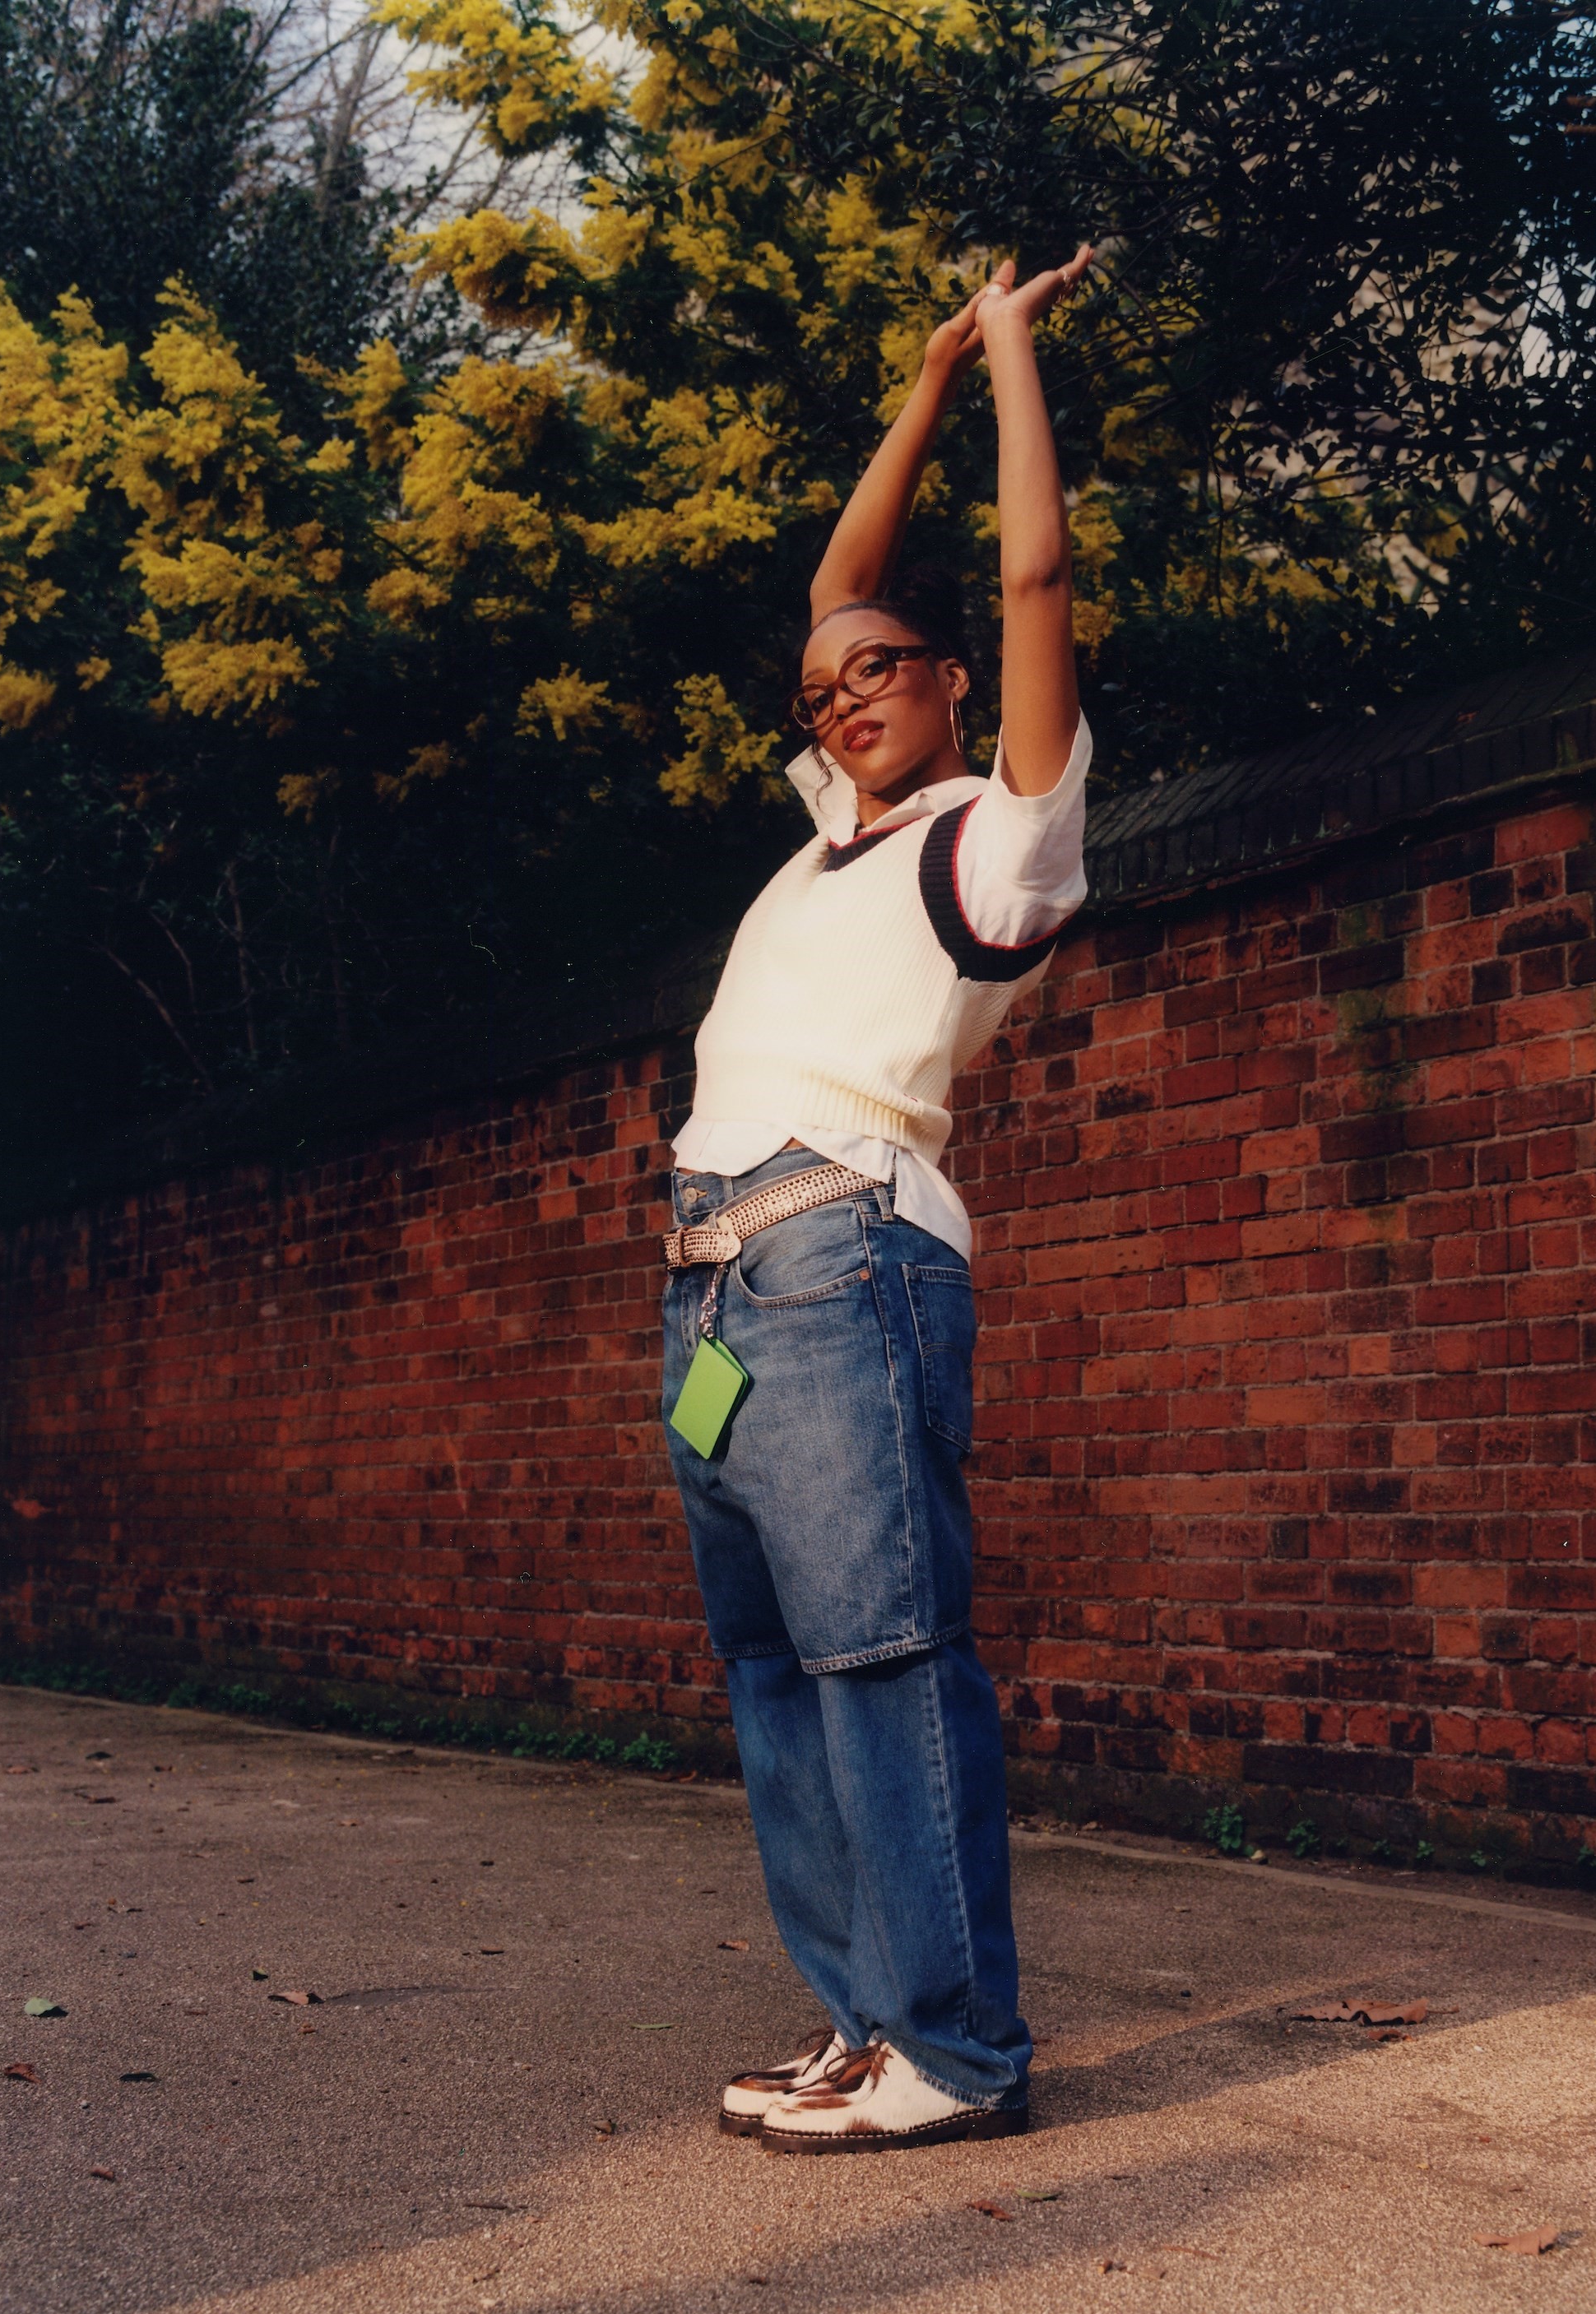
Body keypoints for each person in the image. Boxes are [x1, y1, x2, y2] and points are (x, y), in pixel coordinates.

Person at [661, 244, 1094, 2153]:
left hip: (849, 1257)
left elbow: (1028, 578)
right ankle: (858, 2026)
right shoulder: (828, 839)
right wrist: (911, 380)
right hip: (715, 1299)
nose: (843, 692)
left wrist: (1003, 355)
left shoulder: (996, 844)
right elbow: (840, 575)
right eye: (823, 685)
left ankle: (956, 2050)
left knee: (885, 1655)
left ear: (945, 687)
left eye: (878, 670)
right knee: (773, 1671)